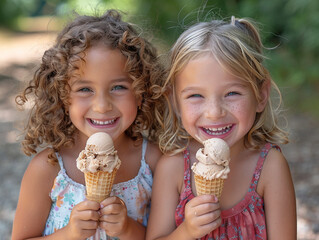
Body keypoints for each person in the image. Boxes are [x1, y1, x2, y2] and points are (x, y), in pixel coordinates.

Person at [12, 9, 164, 240]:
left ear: (141, 93)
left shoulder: (152, 161)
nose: (102, 106)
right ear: (63, 97)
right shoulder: (49, 168)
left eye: (118, 87)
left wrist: (127, 229)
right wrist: (69, 234)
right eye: (85, 89)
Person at [147, 16, 296, 239]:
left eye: (232, 93)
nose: (214, 112)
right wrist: (187, 231)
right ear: (175, 101)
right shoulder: (173, 168)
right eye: (196, 95)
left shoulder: (269, 167)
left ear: (261, 95)